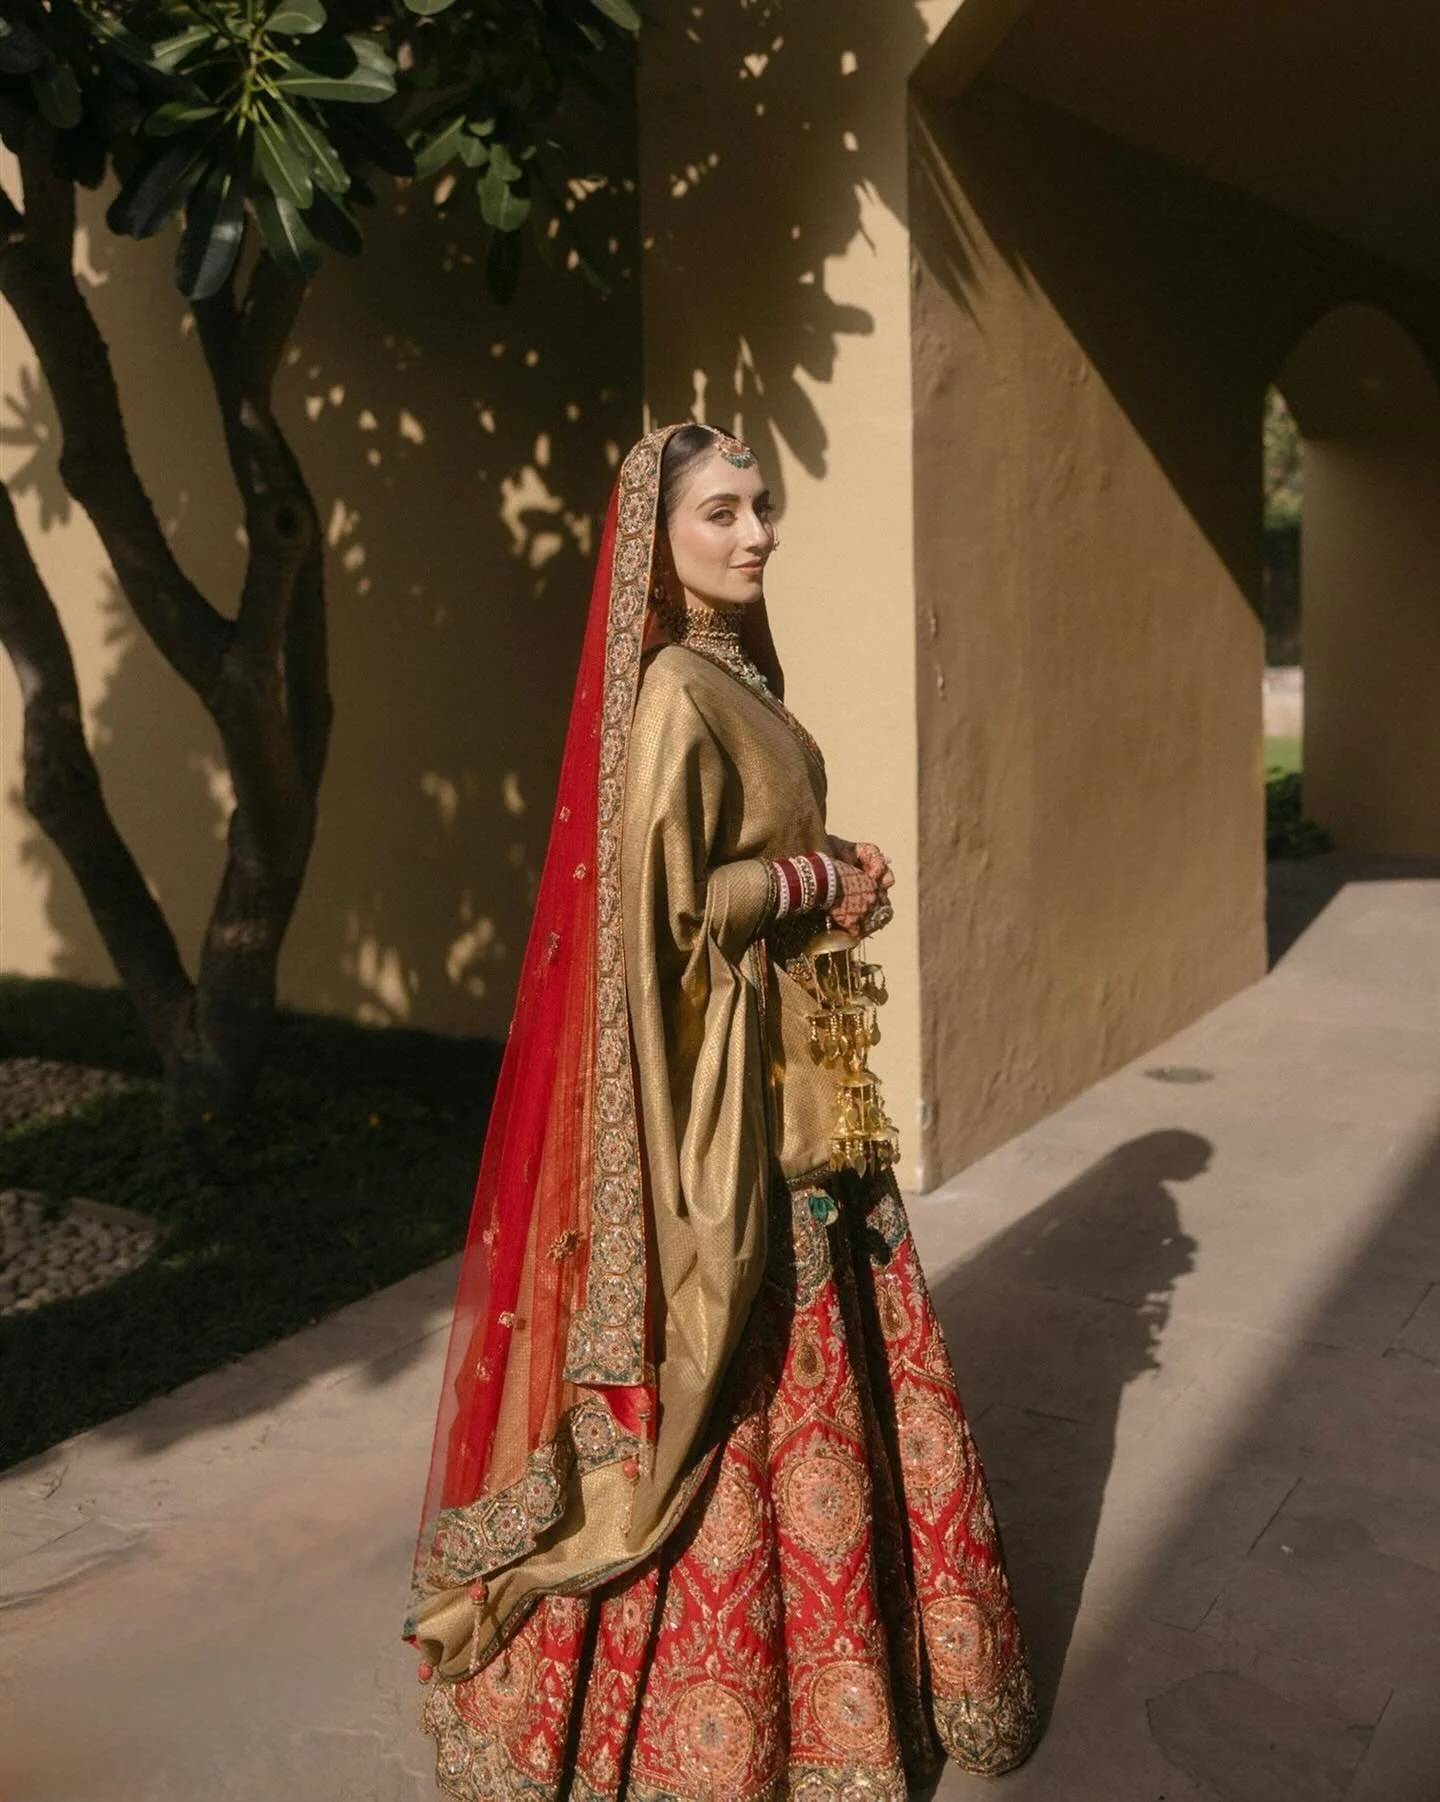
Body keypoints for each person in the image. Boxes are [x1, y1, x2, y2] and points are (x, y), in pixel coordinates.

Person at [405, 422, 1038, 1799]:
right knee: (743, 1384)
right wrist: (822, 884)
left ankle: (850, 1691)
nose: (756, 534)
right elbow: (670, 916)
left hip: (796, 1079)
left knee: (833, 1379)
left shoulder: (732, 672)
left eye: (761, 508)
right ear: (661, 541)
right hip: (735, 1118)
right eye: (721, 514)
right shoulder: (682, 692)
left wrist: (826, 880)